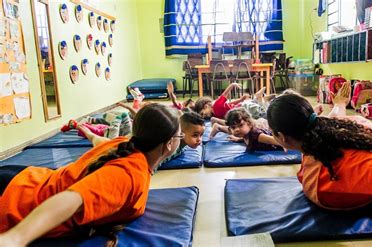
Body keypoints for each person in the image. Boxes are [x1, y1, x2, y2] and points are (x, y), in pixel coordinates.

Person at [0, 104, 182, 245]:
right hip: (15, 199)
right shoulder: (129, 174)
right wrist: (17, 238)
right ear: (169, 144)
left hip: (24, 179)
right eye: (179, 137)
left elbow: (99, 141)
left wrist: (85, 131)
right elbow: (72, 199)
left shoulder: (124, 145)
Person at [77, 110, 205, 172]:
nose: (199, 140)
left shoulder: (179, 142)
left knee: (116, 134)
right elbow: (157, 161)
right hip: (126, 142)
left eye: (201, 135)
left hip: (131, 137)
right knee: (104, 142)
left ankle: (118, 120)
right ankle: (88, 129)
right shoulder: (169, 145)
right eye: (195, 135)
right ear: (179, 134)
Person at [210, 108, 284, 152]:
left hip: (278, 138)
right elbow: (248, 137)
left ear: (250, 124)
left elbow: (274, 140)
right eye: (233, 127)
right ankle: (219, 127)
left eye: (240, 125)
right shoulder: (245, 133)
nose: (236, 130)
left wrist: (284, 145)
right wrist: (239, 139)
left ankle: (219, 127)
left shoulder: (257, 135)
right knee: (237, 131)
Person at [194, 83, 272, 120]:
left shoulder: (216, 106)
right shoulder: (215, 112)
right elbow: (229, 104)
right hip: (241, 106)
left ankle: (261, 100)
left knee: (262, 114)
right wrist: (240, 99)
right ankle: (259, 98)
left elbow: (224, 95)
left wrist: (232, 85)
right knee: (253, 105)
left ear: (206, 106)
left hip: (243, 109)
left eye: (202, 113)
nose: (204, 116)